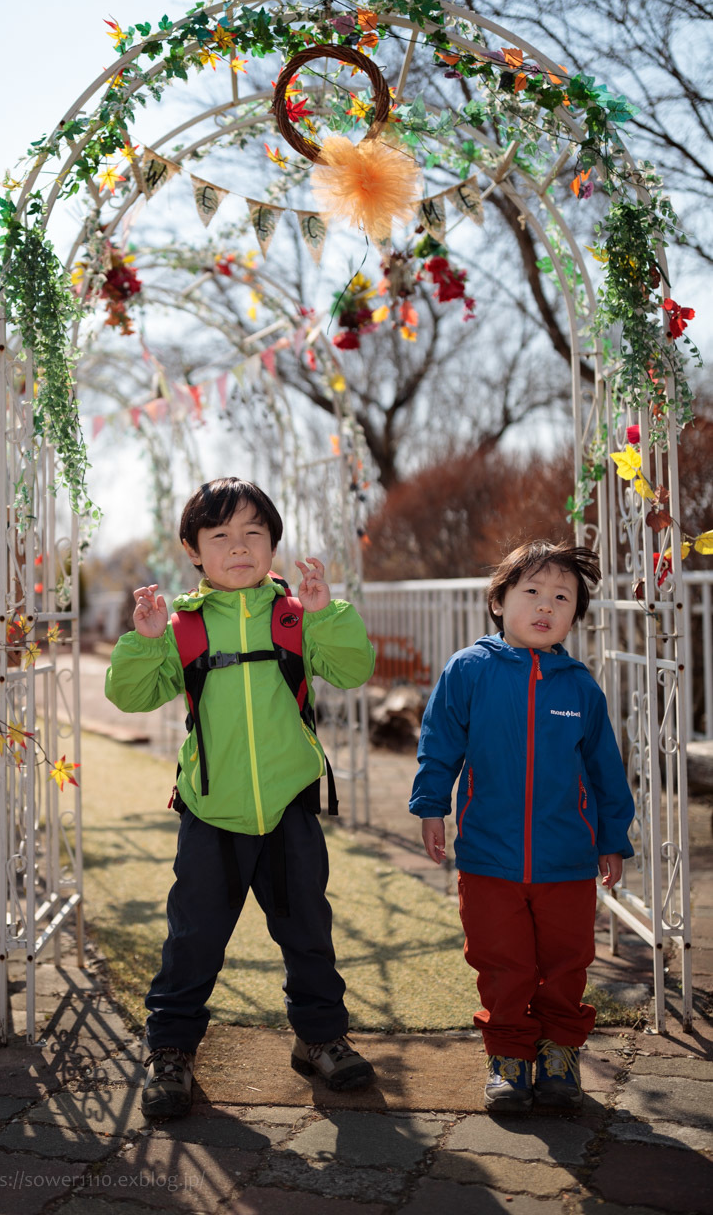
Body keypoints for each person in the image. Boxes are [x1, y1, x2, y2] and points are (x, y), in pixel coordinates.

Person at [106, 477, 377, 1119]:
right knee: (193, 939)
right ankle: (171, 1052)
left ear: (273, 544)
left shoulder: (295, 614)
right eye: (220, 534)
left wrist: (325, 615)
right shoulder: (185, 624)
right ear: (192, 549)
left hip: (289, 810)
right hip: (210, 814)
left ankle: (320, 1040)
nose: (238, 546)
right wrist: (146, 640)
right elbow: (131, 696)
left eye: (254, 532)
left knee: (308, 932)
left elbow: (353, 670)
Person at [409, 541, 635, 1113]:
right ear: (499, 602)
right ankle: (509, 1056)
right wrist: (430, 806)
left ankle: (559, 1053)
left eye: (562, 597)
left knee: (566, 960)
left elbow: (606, 771)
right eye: (531, 592)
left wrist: (612, 837)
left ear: (573, 616)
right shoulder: (469, 671)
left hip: (566, 859)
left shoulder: (580, 687)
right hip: (489, 857)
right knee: (502, 960)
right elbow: (440, 746)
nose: (545, 605)